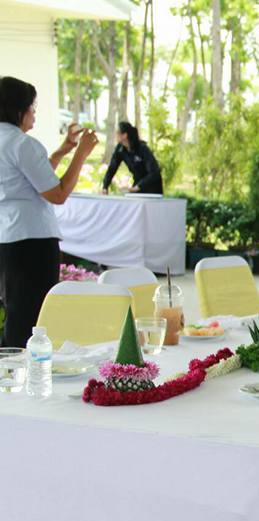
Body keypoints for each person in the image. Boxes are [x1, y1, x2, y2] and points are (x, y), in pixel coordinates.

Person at [0, 76, 98, 347]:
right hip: (33, 242)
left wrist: (63, 151)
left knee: (16, 309)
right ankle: (25, 367)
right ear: (19, 110)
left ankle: (10, 367)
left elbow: (33, 179)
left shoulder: (7, 142)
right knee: (34, 316)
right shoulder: (22, 144)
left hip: (7, 238)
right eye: (32, 108)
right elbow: (57, 193)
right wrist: (82, 154)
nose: (34, 114)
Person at [101, 121, 163, 195]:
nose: (115, 135)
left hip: (152, 186)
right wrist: (105, 186)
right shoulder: (120, 149)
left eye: (117, 133)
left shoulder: (142, 148)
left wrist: (138, 187)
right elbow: (112, 168)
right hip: (138, 182)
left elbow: (154, 172)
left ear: (125, 135)